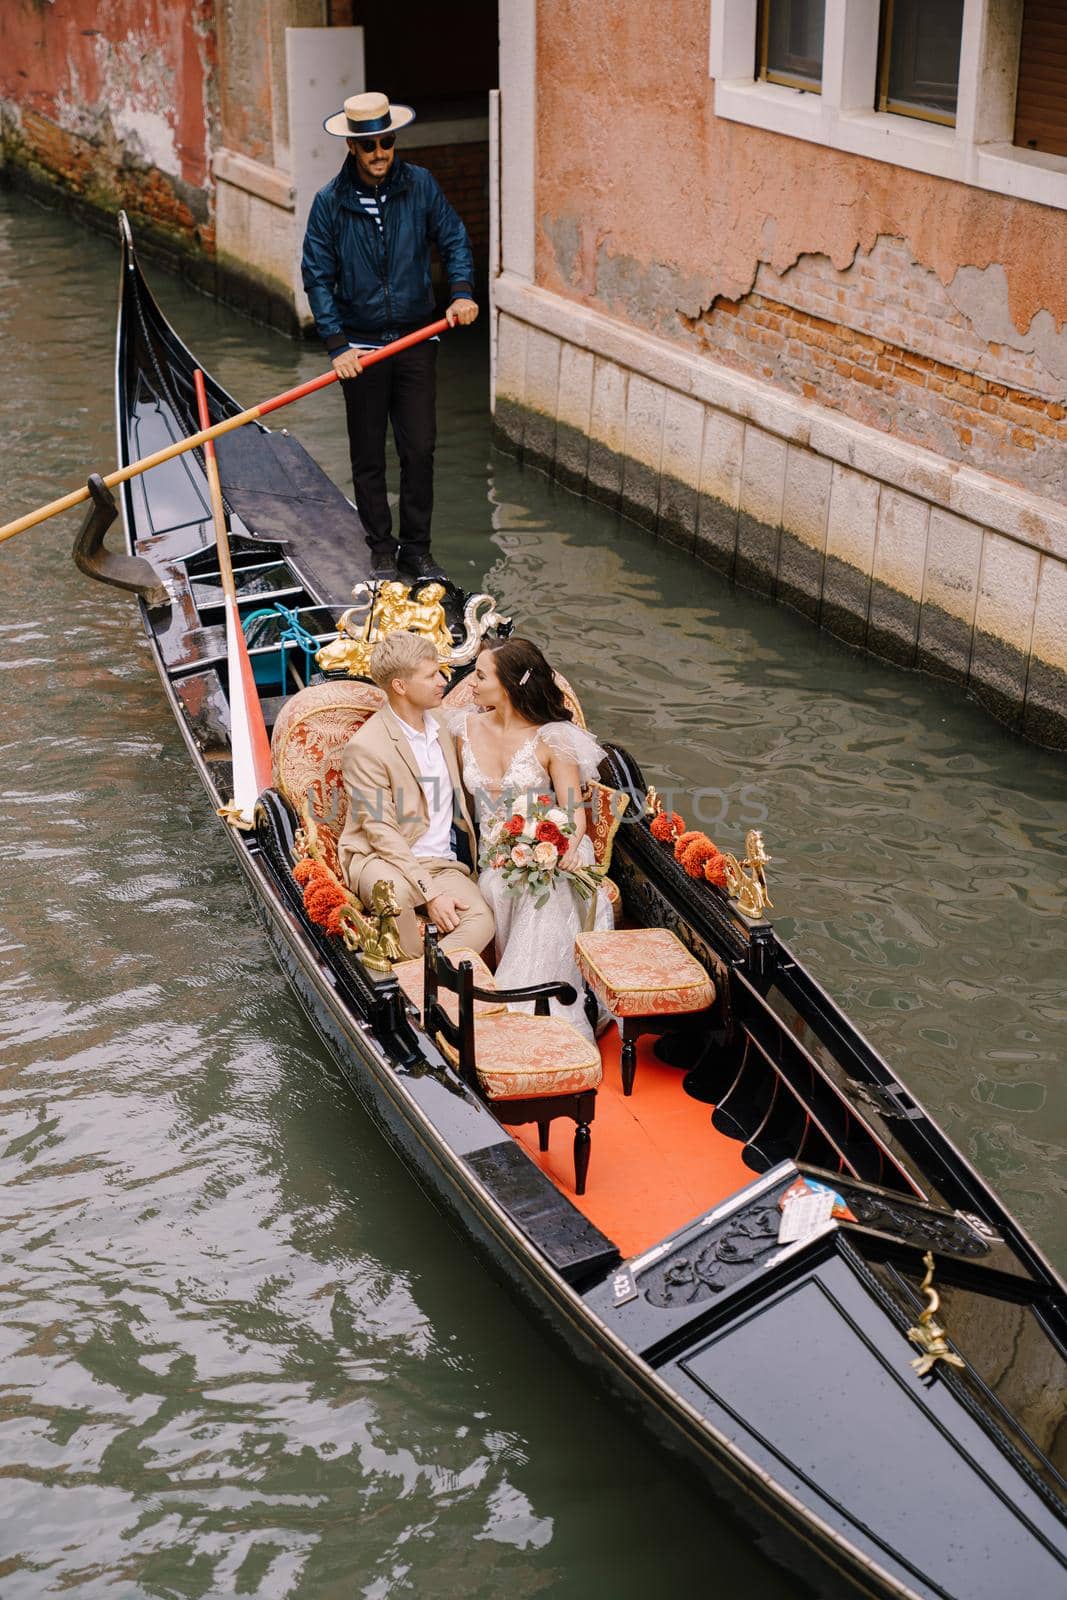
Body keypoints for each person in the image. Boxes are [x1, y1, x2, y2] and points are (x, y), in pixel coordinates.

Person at [301, 91, 479, 584]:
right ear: (352, 149)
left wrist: (461, 291)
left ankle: (417, 551)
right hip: (360, 349)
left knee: (419, 449)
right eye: (370, 146)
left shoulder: (419, 186)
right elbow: (317, 275)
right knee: (368, 454)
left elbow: (455, 238)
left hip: (417, 337)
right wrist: (337, 345)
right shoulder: (329, 203)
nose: (380, 153)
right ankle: (382, 548)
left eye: (387, 143)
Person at [443, 638, 614, 1040]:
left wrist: (567, 849)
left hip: (560, 847)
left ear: (509, 686)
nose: (470, 684)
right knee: (506, 885)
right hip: (496, 856)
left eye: (480, 675)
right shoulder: (461, 727)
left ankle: (535, 1018)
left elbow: (573, 811)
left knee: (549, 889)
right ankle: (531, 1012)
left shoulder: (553, 739)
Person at [337, 631, 493, 960]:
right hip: (381, 859)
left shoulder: (442, 722)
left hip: (441, 862)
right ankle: (412, 989)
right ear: (400, 686)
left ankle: (419, 983)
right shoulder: (365, 748)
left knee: (481, 921)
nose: (443, 681)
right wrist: (431, 893)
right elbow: (380, 830)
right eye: (431, 675)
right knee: (395, 896)